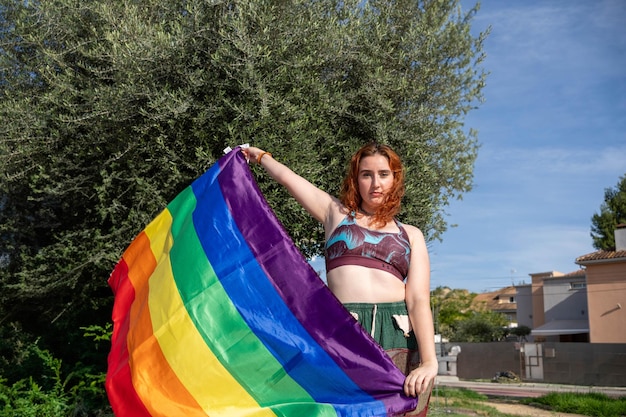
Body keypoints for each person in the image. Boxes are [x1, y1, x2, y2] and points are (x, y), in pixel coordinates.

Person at [242, 143, 437, 410]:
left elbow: (417, 300)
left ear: (395, 179)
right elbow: (290, 178)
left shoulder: (411, 234)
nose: (375, 183)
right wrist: (261, 157)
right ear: (356, 180)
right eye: (366, 174)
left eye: (384, 174)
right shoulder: (335, 214)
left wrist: (429, 361)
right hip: (343, 329)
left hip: (397, 334)